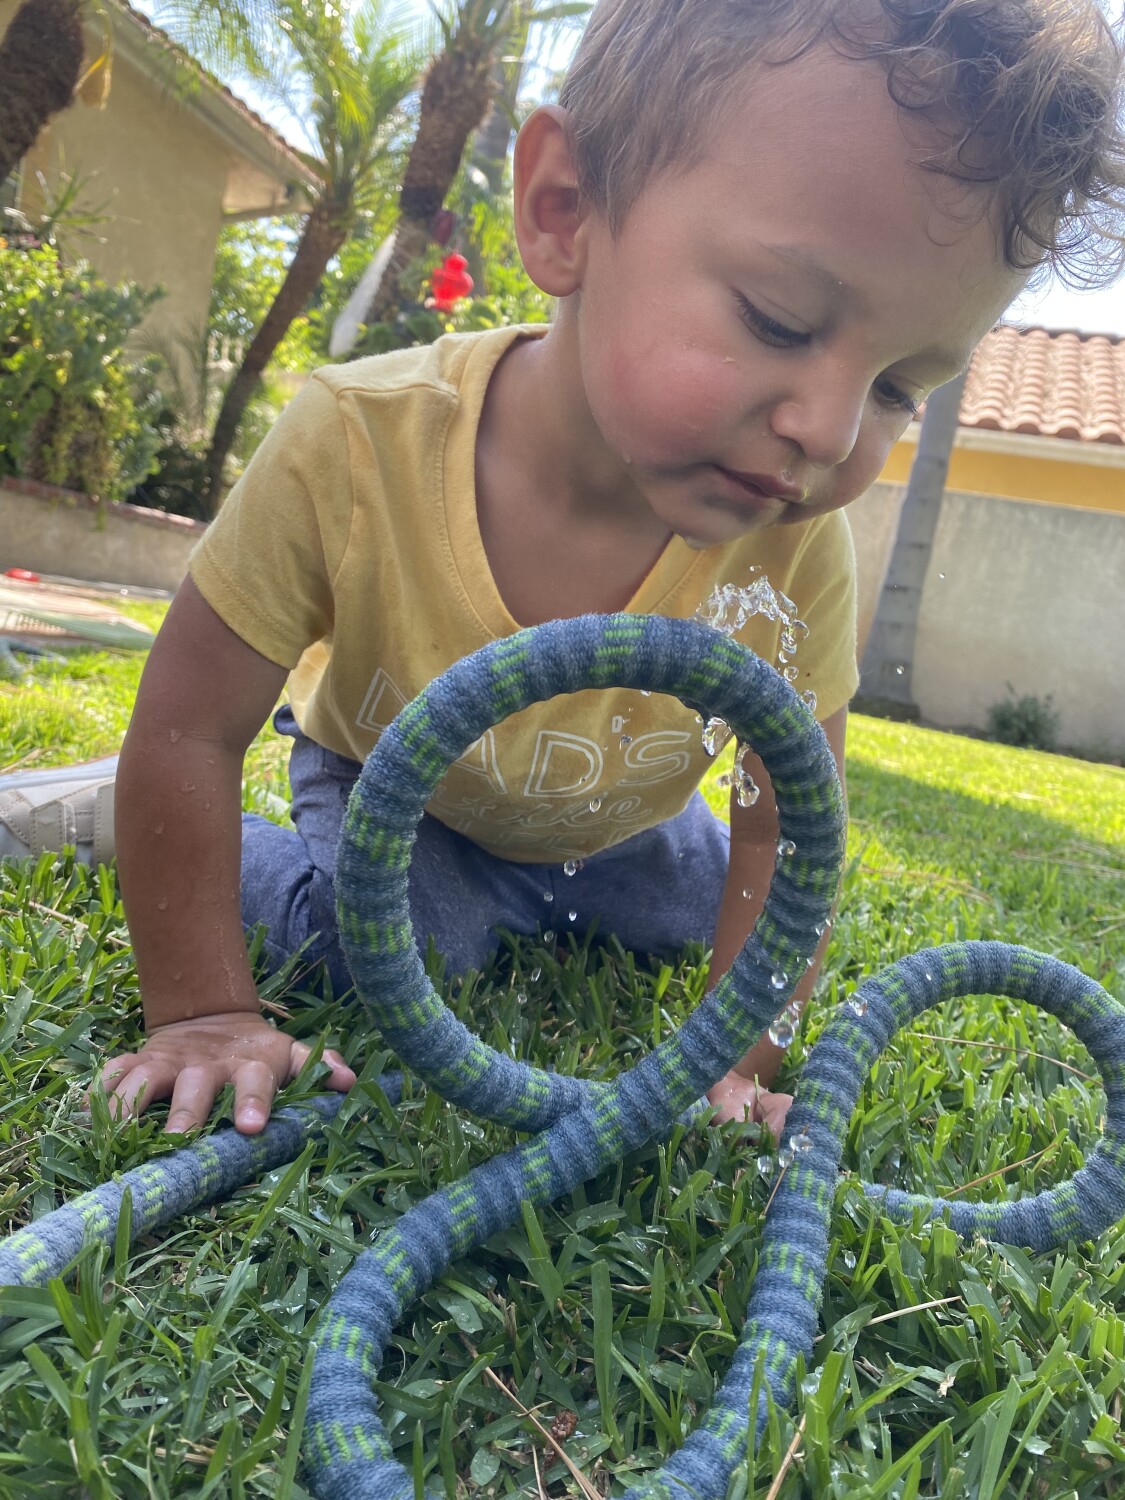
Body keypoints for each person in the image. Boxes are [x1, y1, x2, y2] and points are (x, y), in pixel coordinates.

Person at [2, 0, 1122, 1139]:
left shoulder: (796, 548)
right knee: (392, 946)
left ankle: (550, 902)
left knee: (720, 924)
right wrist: (199, 1013)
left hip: (620, 830)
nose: (831, 431)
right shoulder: (355, 443)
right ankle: (100, 811)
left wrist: (737, 1061)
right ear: (566, 212)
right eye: (780, 319)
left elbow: (782, 833)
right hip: (408, 803)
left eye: (899, 388)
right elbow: (189, 730)